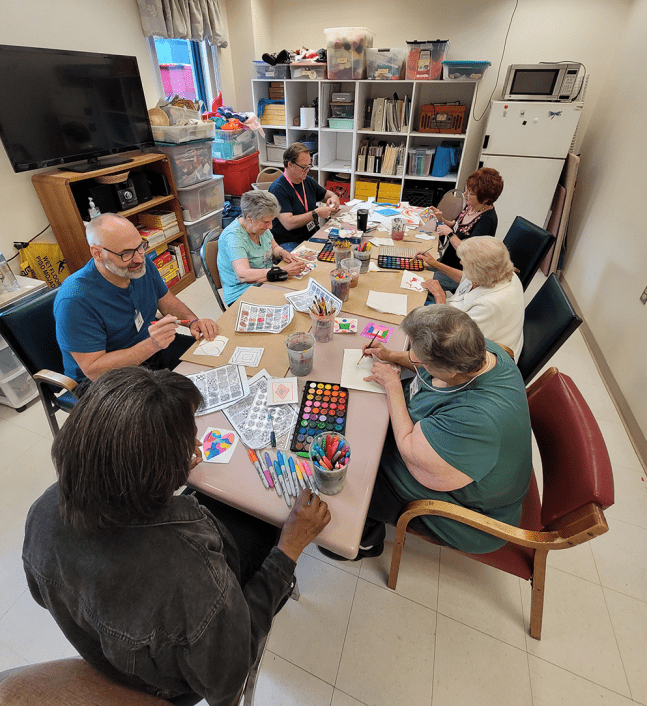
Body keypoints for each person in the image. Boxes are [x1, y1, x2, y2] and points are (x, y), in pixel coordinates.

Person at [23, 367, 331, 706]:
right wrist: (289, 548)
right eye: (186, 444)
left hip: (104, 652)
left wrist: (163, 476)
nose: (197, 446)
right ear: (154, 470)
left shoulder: (42, 512)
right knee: (265, 524)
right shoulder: (192, 570)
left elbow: (43, 595)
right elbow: (228, 677)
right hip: (166, 686)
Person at [350, 305, 531, 559]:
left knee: (360, 471)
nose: (412, 357)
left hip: (474, 514)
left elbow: (408, 447)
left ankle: (364, 541)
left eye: (417, 356)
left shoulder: (475, 420)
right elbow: (427, 366)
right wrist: (390, 355)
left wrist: (392, 385)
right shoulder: (476, 347)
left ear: (449, 371)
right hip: (462, 457)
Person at [54, 213, 218, 383]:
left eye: (140, 246)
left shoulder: (140, 263)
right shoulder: (74, 300)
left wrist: (193, 321)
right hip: (106, 378)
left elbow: (167, 302)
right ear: (98, 253)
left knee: (213, 359)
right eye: (126, 253)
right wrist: (152, 345)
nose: (139, 258)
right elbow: (94, 370)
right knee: (170, 403)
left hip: (148, 348)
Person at [421, 236, 525, 360]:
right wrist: (436, 264)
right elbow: (465, 278)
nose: (460, 263)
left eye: (464, 263)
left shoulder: (490, 305)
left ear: (477, 271)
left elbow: (451, 336)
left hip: (471, 352)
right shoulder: (498, 270)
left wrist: (440, 297)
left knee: (412, 326)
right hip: (454, 318)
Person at [217, 190, 306, 306]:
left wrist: (283, 253)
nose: (270, 226)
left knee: (300, 293)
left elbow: (274, 247)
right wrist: (282, 272)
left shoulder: (258, 228)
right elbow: (243, 275)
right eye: (266, 222)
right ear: (249, 218)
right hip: (241, 293)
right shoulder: (233, 237)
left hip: (266, 281)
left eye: (271, 221)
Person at [427, 167, 504, 292]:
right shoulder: (471, 207)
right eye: (466, 189)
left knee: (420, 278)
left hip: (459, 274)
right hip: (446, 262)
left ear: (485, 199)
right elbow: (457, 226)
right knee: (415, 265)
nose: (464, 194)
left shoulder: (486, 220)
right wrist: (443, 219)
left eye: (471, 193)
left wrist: (449, 234)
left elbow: (470, 253)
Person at [268, 142, 341, 251]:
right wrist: (315, 213)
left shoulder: (306, 180)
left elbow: (327, 194)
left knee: (338, 248)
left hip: (310, 234)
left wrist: (334, 198)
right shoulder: (278, 189)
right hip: (288, 241)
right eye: (303, 167)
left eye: (308, 167)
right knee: (306, 263)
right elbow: (289, 223)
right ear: (290, 165)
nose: (307, 171)